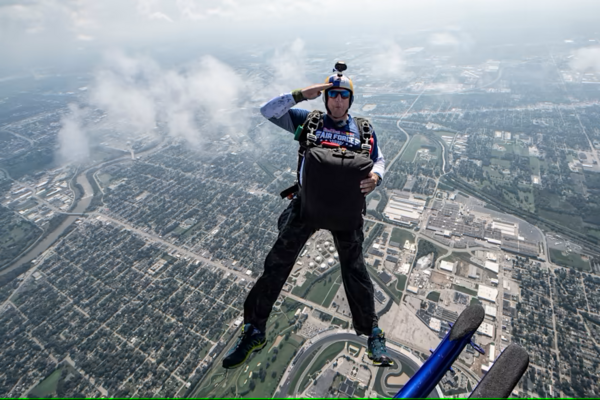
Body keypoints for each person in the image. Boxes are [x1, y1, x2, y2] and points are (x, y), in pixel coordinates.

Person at [222, 66, 393, 369]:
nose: (338, 101)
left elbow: (378, 158)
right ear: (325, 97)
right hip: (307, 205)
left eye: (343, 96)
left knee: (355, 270)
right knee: (276, 264)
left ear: (350, 100)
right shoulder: (309, 121)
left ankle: (372, 334)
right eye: (333, 95)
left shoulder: (363, 129)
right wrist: (301, 94)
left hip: (345, 209)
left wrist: (376, 177)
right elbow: (267, 111)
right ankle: (254, 330)